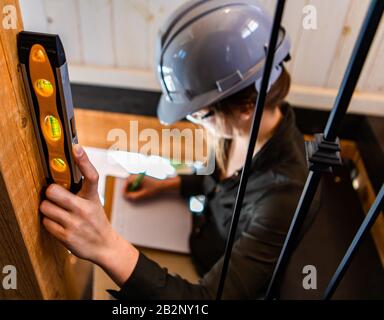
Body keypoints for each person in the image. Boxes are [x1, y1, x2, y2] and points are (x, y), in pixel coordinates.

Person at [39, 0, 318, 299]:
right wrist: (170, 185)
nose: (196, 121)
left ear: (247, 106)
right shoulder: (239, 129)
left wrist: (105, 245)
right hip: (198, 237)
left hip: (207, 277)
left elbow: (204, 302)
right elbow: (221, 184)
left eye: (200, 113)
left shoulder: (283, 198)